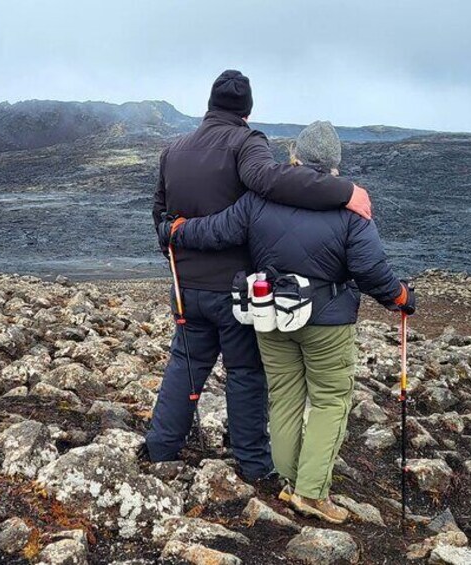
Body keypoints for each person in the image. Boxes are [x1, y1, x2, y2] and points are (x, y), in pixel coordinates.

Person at [159, 120, 416, 522]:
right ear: (333, 165)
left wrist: (178, 230)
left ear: (294, 156)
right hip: (327, 323)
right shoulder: (350, 208)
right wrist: (400, 297)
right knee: (330, 400)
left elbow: (217, 231)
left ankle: (289, 479)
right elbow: (370, 270)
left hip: (271, 316)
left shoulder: (258, 200)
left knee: (283, 396)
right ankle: (311, 492)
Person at [146, 70, 373, 482]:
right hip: (236, 291)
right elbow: (268, 182)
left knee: (185, 364)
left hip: (186, 288)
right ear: (247, 109)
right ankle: (252, 465)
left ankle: (162, 448)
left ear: (210, 103)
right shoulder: (247, 143)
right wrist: (343, 192)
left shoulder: (174, 150)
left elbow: (160, 215)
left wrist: (174, 253)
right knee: (246, 373)